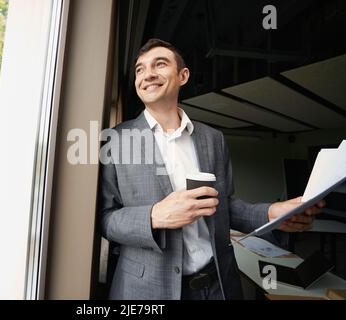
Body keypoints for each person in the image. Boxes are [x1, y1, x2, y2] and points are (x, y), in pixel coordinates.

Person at [98, 38, 324, 300]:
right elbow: (105, 218)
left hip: (217, 284)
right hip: (146, 290)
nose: (147, 74)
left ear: (183, 76)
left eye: (159, 64)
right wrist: (154, 217)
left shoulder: (213, 138)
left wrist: (273, 212)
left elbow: (225, 206)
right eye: (140, 69)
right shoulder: (116, 139)